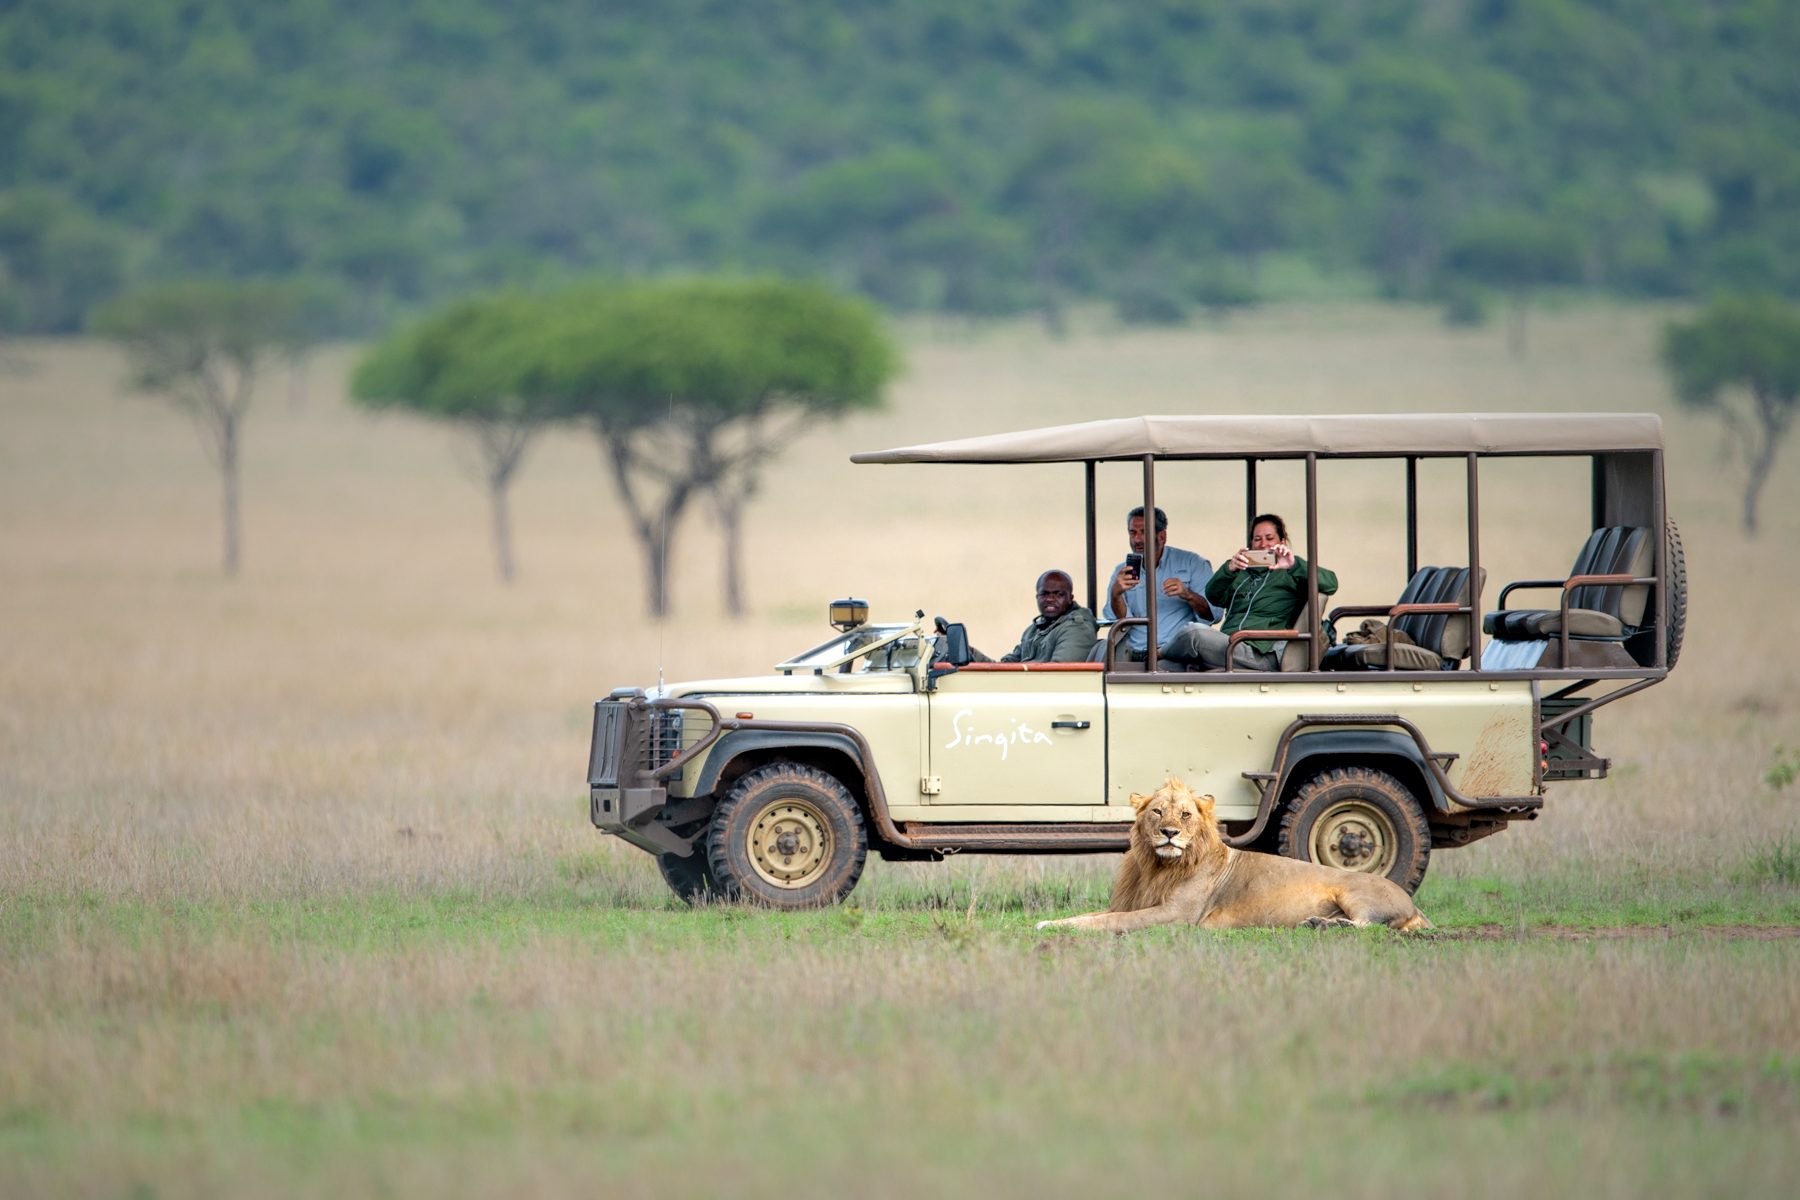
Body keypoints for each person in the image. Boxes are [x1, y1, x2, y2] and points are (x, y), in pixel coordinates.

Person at [1163, 513, 1337, 671]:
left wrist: (1294, 564)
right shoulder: (1242, 572)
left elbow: (1331, 584)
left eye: (1269, 538)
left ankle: (1159, 651)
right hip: (1231, 645)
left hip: (1260, 652)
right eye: (1257, 539)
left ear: (1282, 542)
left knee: (1195, 632)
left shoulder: (1294, 573)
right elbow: (1213, 596)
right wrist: (1229, 569)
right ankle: (1160, 659)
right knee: (1163, 667)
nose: (1263, 545)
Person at [1101, 506, 1216, 661]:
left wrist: (1188, 594)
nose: (1137, 540)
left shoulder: (1192, 563)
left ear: (1161, 536)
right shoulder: (1121, 571)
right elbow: (1123, 623)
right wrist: (1116, 594)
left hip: (1176, 655)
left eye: (1144, 532)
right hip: (1134, 653)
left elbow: (1213, 615)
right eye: (1132, 532)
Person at [999, 570, 1096, 663]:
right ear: (1037, 597)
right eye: (1044, 594)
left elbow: (1060, 672)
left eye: (1059, 594)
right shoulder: (1034, 629)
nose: (1050, 599)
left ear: (1070, 598)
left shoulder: (1078, 628)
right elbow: (1008, 664)